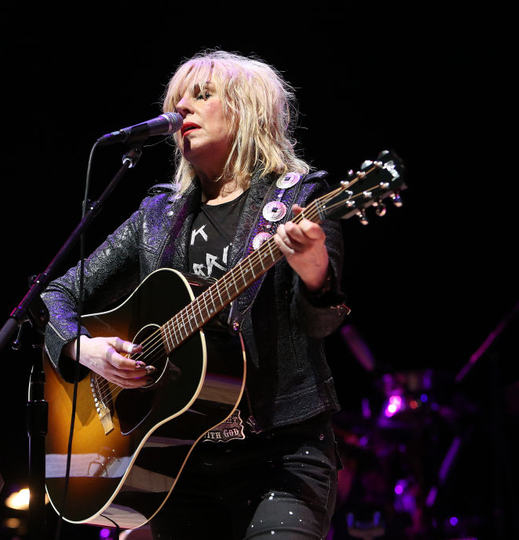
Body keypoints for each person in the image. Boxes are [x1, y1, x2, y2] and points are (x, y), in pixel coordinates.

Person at [41, 49, 349, 539]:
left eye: (202, 96)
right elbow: (58, 293)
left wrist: (315, 272)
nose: (182, 108)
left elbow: (320, 325)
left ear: (248, 112)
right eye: (177, 99)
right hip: (175, 460)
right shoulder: (158, 214)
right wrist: (86, 349)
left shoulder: (296, 199)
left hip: (280, 454)